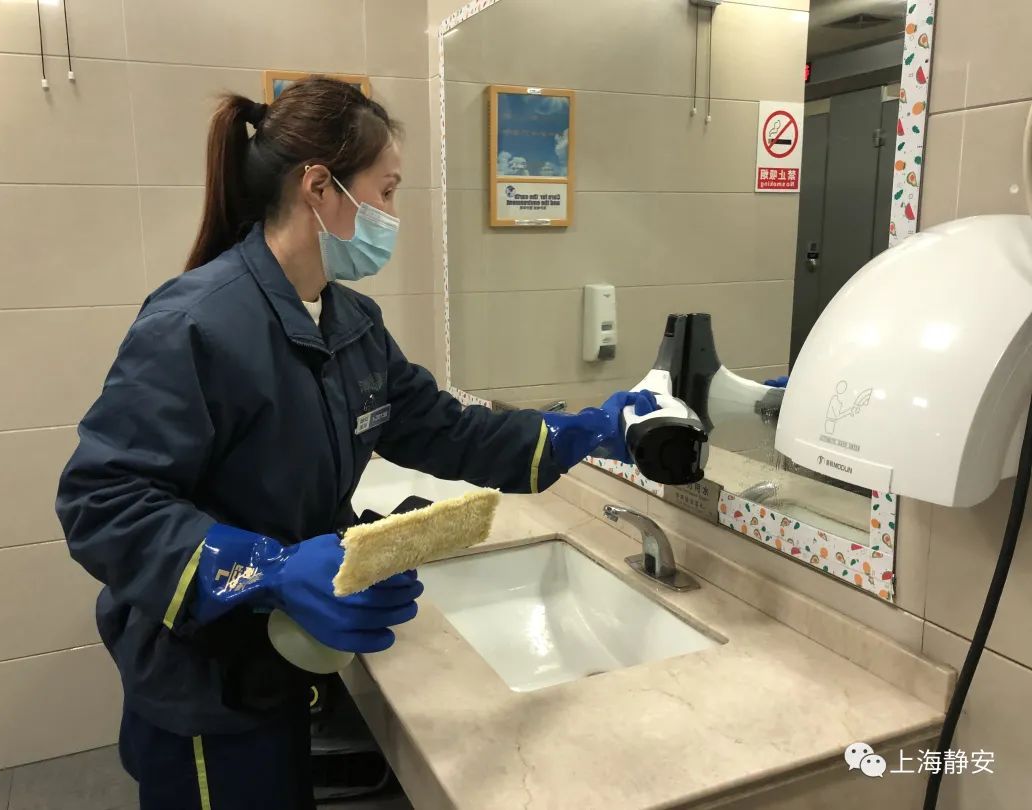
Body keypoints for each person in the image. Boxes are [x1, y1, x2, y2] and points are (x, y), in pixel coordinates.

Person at [55, 78, 656, 810]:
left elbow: (447, 429)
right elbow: (102, 502)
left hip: (283, 663)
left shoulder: (352, 325)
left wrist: (587, 430)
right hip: (202, 686)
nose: (392, 216)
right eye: (387, 191)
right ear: (319, 188)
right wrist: (269, 571)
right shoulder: (196, 324)